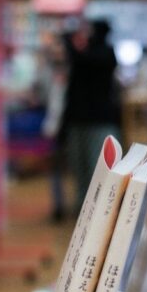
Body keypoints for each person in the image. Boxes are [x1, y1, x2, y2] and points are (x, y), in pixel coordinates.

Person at [55, 19, 122, 220]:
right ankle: (85, 210)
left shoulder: (103, 54)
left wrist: (67, 42)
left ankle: (98, 211)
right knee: (81, 168)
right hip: (83, 121)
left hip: (97, 123)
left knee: (96, 168)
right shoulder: (90, 54)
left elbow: (84, 61)